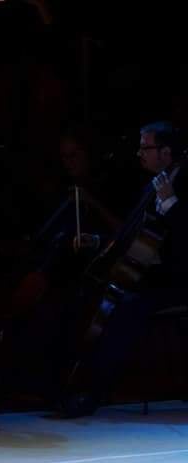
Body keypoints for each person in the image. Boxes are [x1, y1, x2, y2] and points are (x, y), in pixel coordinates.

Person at [58, 121, 188, 417]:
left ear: (166, 152)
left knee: (126, 306)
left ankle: (95, 392)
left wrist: (171, 202)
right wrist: (97, 241)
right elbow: (131, 233)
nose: (139, 153)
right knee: (84, 296)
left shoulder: (182, 183)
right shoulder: (153, 184)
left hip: (177, 278)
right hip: (150, 275)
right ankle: (68, 380)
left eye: (146, 148)